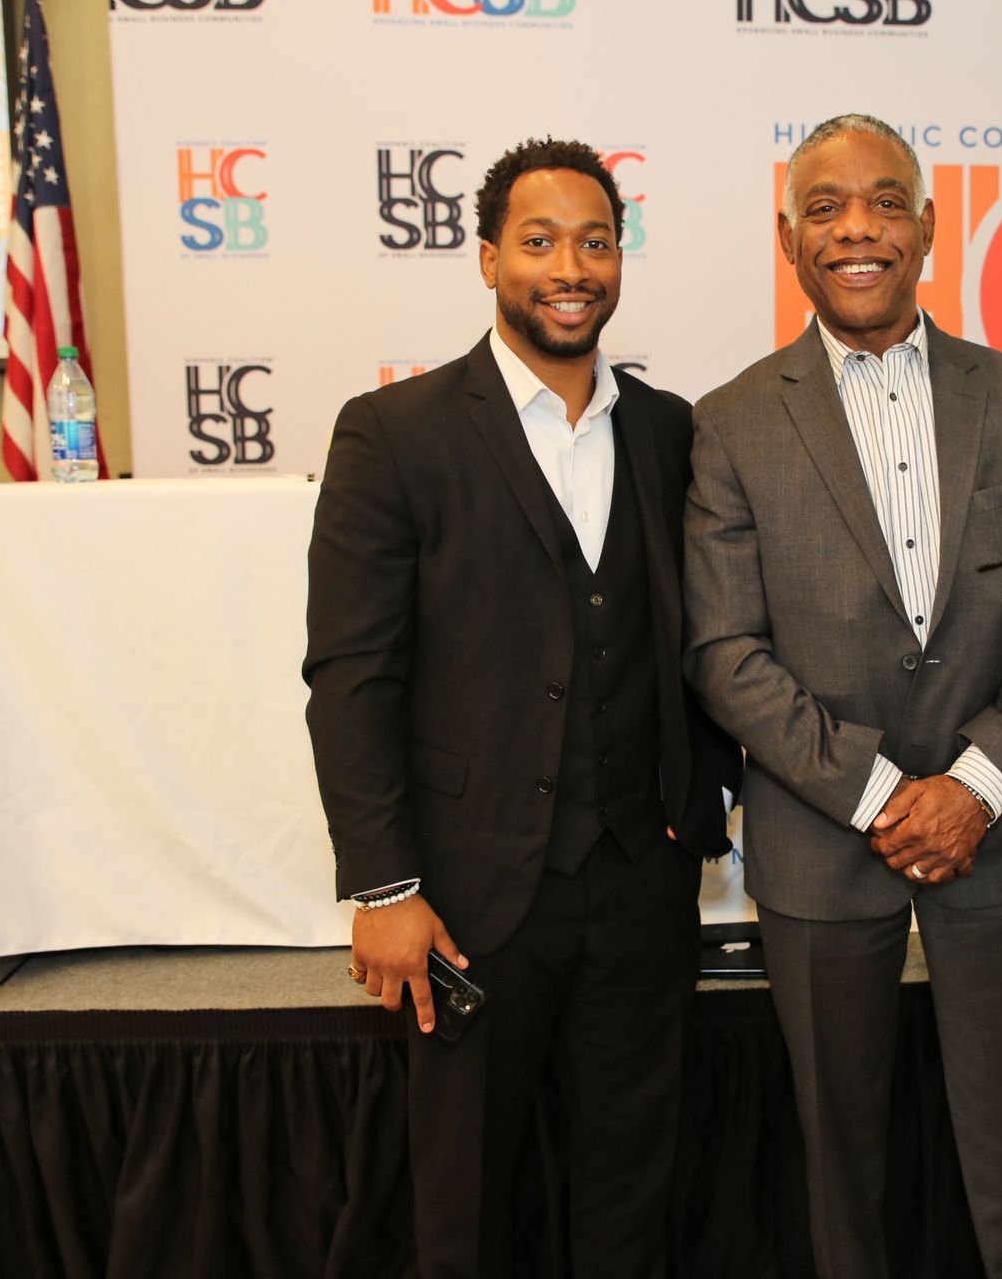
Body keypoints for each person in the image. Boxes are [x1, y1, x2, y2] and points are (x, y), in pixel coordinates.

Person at [303, 136, 740, 1279]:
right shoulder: (392, 434)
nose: (571, 265)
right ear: (488, 256)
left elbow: (695, 640)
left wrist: (691, 812)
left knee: (630, 1192)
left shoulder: (669, 430)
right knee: (468, 1203)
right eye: (540, 241)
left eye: (596, 241)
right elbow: (352, 674)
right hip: (467, 897)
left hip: (640, 885)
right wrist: (385, 886)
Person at [683, 113, 1002, 1279]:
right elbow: (723, 648)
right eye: (824, 207)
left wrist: (970, 786)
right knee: (841, 1164)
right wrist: (881, 796)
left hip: (993, 835)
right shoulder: (728, 422)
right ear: (788, 239)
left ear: (928, 224)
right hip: (820, 846)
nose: (855, 227)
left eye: (881, 201)